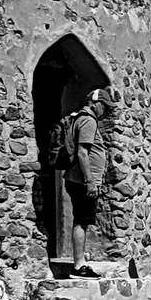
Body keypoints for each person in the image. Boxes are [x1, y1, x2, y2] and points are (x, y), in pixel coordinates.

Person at [51, 88, 112, 276]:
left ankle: (79, 263)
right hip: (82, 180)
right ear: (96, 104)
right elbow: (82, 152)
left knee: (82, 219)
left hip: (78, 179)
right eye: (105, 107)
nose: (106, 111)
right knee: (82, 220)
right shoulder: (88, 120)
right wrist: (90, 181)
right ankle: (79, 265)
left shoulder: (81, 118)